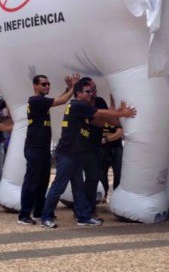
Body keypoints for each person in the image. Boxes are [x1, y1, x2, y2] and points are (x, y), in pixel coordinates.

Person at [40, 79, 137, 229]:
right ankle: (46, 217)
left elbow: (99, 120)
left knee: (78, 188)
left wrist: (118, 115)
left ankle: (83, 216)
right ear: (78, 93)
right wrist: (121, 112)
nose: (91, 94)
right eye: (87, 91)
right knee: (58, 187)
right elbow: (100, 113)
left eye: (91, 91)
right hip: (67, 154)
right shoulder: (77, 105)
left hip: (76, 154)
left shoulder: (82, 108)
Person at [17, 73, 78, 226]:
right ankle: (24, 214)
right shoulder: (36, 100)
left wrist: (69, 88)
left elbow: (56, 99)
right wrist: (74, 88)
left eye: (48, 84)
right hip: (34, 147)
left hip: (43, 147)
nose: (47, 86)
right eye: (44, 84)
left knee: (43, 181)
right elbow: (62, 100)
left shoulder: (41, 101)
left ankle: (38, 211)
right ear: (35, 86)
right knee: (31, 181)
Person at [80, 77, 109, 214]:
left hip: (97, 145)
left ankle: (88, 207)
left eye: (94, 89)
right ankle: (84, 208)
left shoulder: (100, 101)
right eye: (90, 90)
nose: (93, 92)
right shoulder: (80, 104)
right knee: (87, 177)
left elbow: (105, 120)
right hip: (83, 145)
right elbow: (98, 120)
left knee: (94, 177)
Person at [99, 96, 124, 201]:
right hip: (103, 149)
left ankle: (117, 196)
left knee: (118, 173)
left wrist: (106, 139)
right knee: (102, 172)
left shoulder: (116, 117)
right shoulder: (100, 117)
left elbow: (120, 133)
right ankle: (104, 194)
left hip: (116, 148)